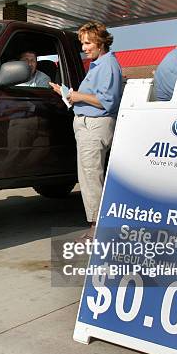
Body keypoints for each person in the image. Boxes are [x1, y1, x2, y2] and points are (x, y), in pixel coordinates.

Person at [50, 21, 123, 242]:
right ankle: (98, 223)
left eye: (88, 43)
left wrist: (75, 96)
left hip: (95, 125)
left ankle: (97, 227)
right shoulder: (99, 64)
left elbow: (106, 101)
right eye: (83, 43)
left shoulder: (107, 65)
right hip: (87, 124)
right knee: (89, 174)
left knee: (91, 175)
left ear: (101, 42)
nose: (84, 48)